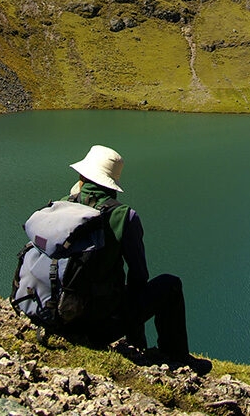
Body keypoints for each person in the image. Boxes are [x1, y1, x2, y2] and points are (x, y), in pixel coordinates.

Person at [62, 144, 211, 376]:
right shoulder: (124, 216)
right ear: (112, 183)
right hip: (96, 326)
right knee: (170, 285)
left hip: (57, 317)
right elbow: (138, 277)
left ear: (83, 176)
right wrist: (136, 338)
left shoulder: (62, 205)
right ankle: (177, 357)